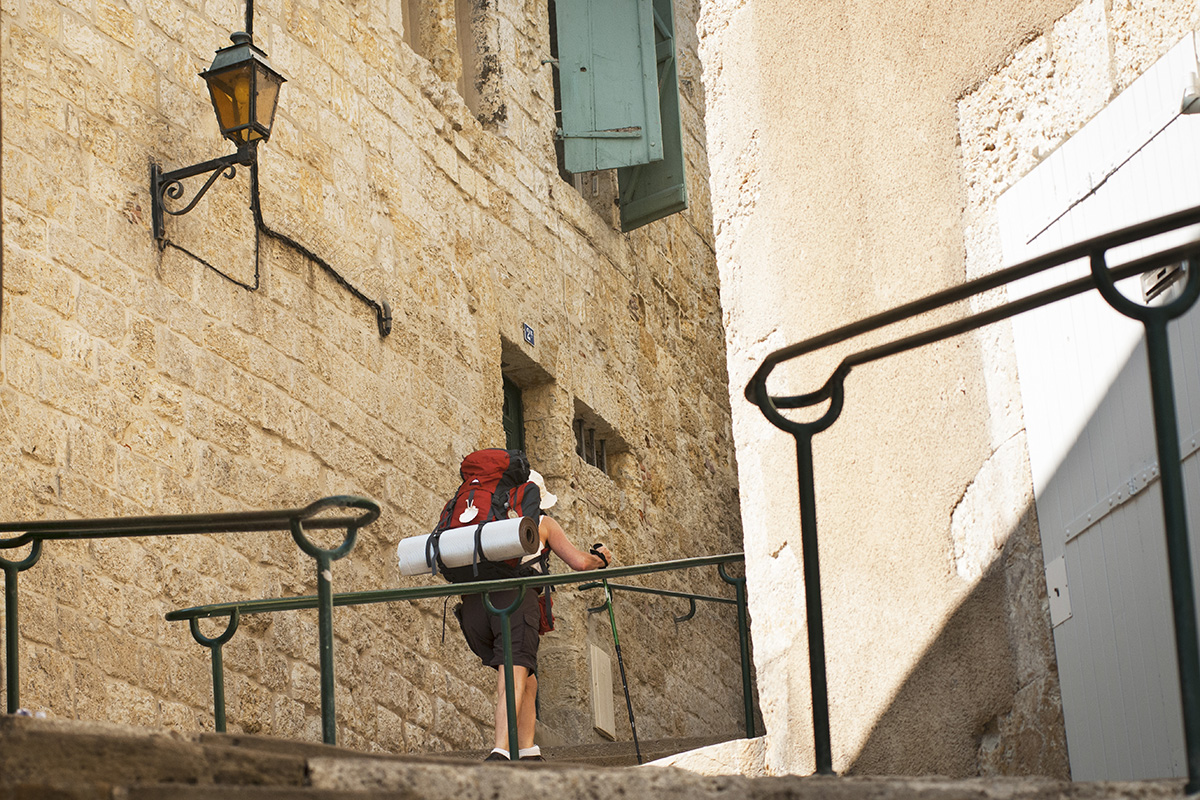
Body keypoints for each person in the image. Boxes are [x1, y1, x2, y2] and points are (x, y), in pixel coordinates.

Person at [456, 468, 612, 762]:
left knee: (529, 679)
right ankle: (501, 751)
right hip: (514, 602)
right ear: (535, 498)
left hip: (475, 608)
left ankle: (526, 748)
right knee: (513, 675)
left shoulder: (481, 520)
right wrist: (600, 559)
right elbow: (579, 562)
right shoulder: (540, 522)